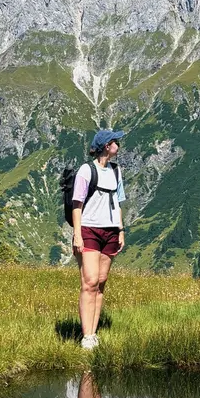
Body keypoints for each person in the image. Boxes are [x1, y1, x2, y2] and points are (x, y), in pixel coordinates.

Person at [70, 129, 126, 350]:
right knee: (90, 281)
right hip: (90, 230)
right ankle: (86, 336)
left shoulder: (116, 171)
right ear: (106, 145)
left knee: (101, 281)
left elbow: (118, 202)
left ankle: (93, 333)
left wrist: (121, 230)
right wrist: (77, 234)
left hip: (111, 231)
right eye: (115, 142)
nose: (118, 146)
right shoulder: (86, 170)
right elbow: (77, 204)